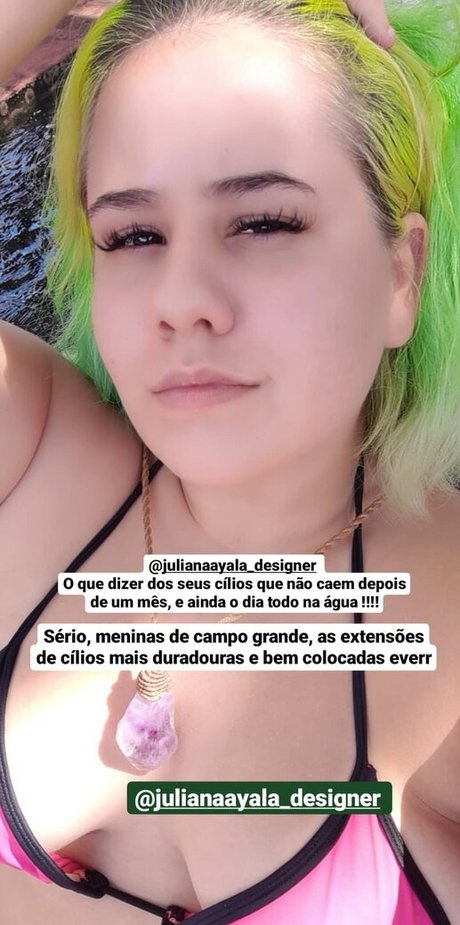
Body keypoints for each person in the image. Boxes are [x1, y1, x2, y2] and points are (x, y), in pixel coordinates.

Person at [0, 0, 459, 923]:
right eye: (133, 235)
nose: (182, 299)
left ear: (401, 274)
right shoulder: (30, 448)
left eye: (264, 222)